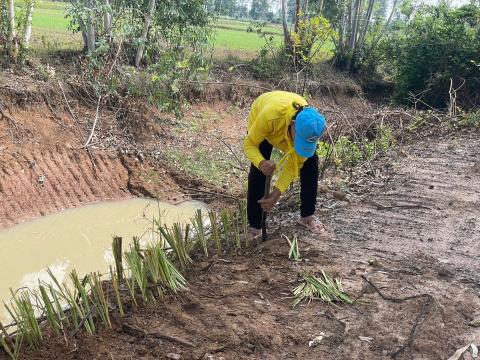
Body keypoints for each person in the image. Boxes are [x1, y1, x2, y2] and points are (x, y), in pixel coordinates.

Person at [243, 91, 327, 240]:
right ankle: (255, 226)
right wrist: (262, 163)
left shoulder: (310, 126)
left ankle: (307, 216)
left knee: (310, 162)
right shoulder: (269, 116)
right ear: (293, 124)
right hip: (264, 114)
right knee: (259, 171)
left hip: (285, 122)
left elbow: (292, 166)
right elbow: (249, 145)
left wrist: (276, 194)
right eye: (299, 139)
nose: (299, 145)